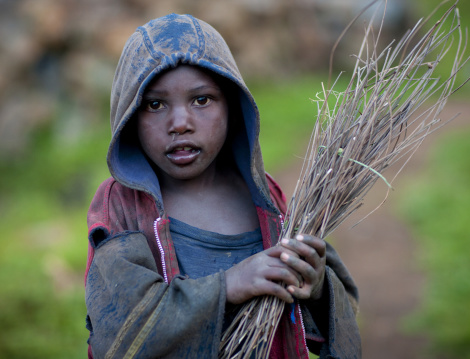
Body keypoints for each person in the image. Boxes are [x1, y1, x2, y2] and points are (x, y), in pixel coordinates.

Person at [84, 13, 361, 359]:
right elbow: (120, 332)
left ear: (232, 107)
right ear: (129, 118)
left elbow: (339, 310)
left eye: (202, 100)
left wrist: (316, 286)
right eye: (155, 105)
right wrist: (228, 286)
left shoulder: (266, 200)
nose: (180, 123)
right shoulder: (121, 207)